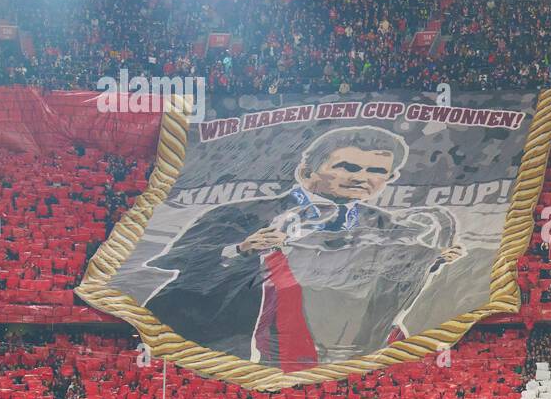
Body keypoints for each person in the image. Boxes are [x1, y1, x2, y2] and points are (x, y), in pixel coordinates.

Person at [145, 126, 465, 371]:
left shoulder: (386, 226)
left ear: (389, 179)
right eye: (349, 167)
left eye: (376, 171)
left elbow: (394, 277)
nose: (362, 178)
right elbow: (185, 265)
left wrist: (432, 261)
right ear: (307, 171)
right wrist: (241, 250)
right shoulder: (244, 213)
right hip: (242, 347)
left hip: (341, 353)